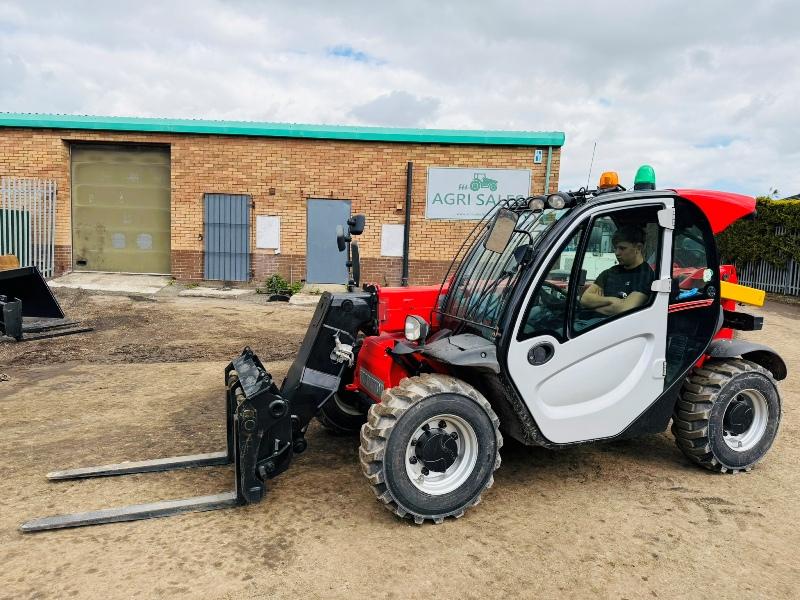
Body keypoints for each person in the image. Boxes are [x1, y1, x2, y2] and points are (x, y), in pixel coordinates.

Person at [579, 225, 654, 316]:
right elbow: (585, 299)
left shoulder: (646, 276)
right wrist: (612, 300)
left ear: (638, 248)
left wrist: (595, 304)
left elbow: (625, 309)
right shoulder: (609, 272)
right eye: (615, 248)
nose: (617, 253)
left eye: (622, 248)